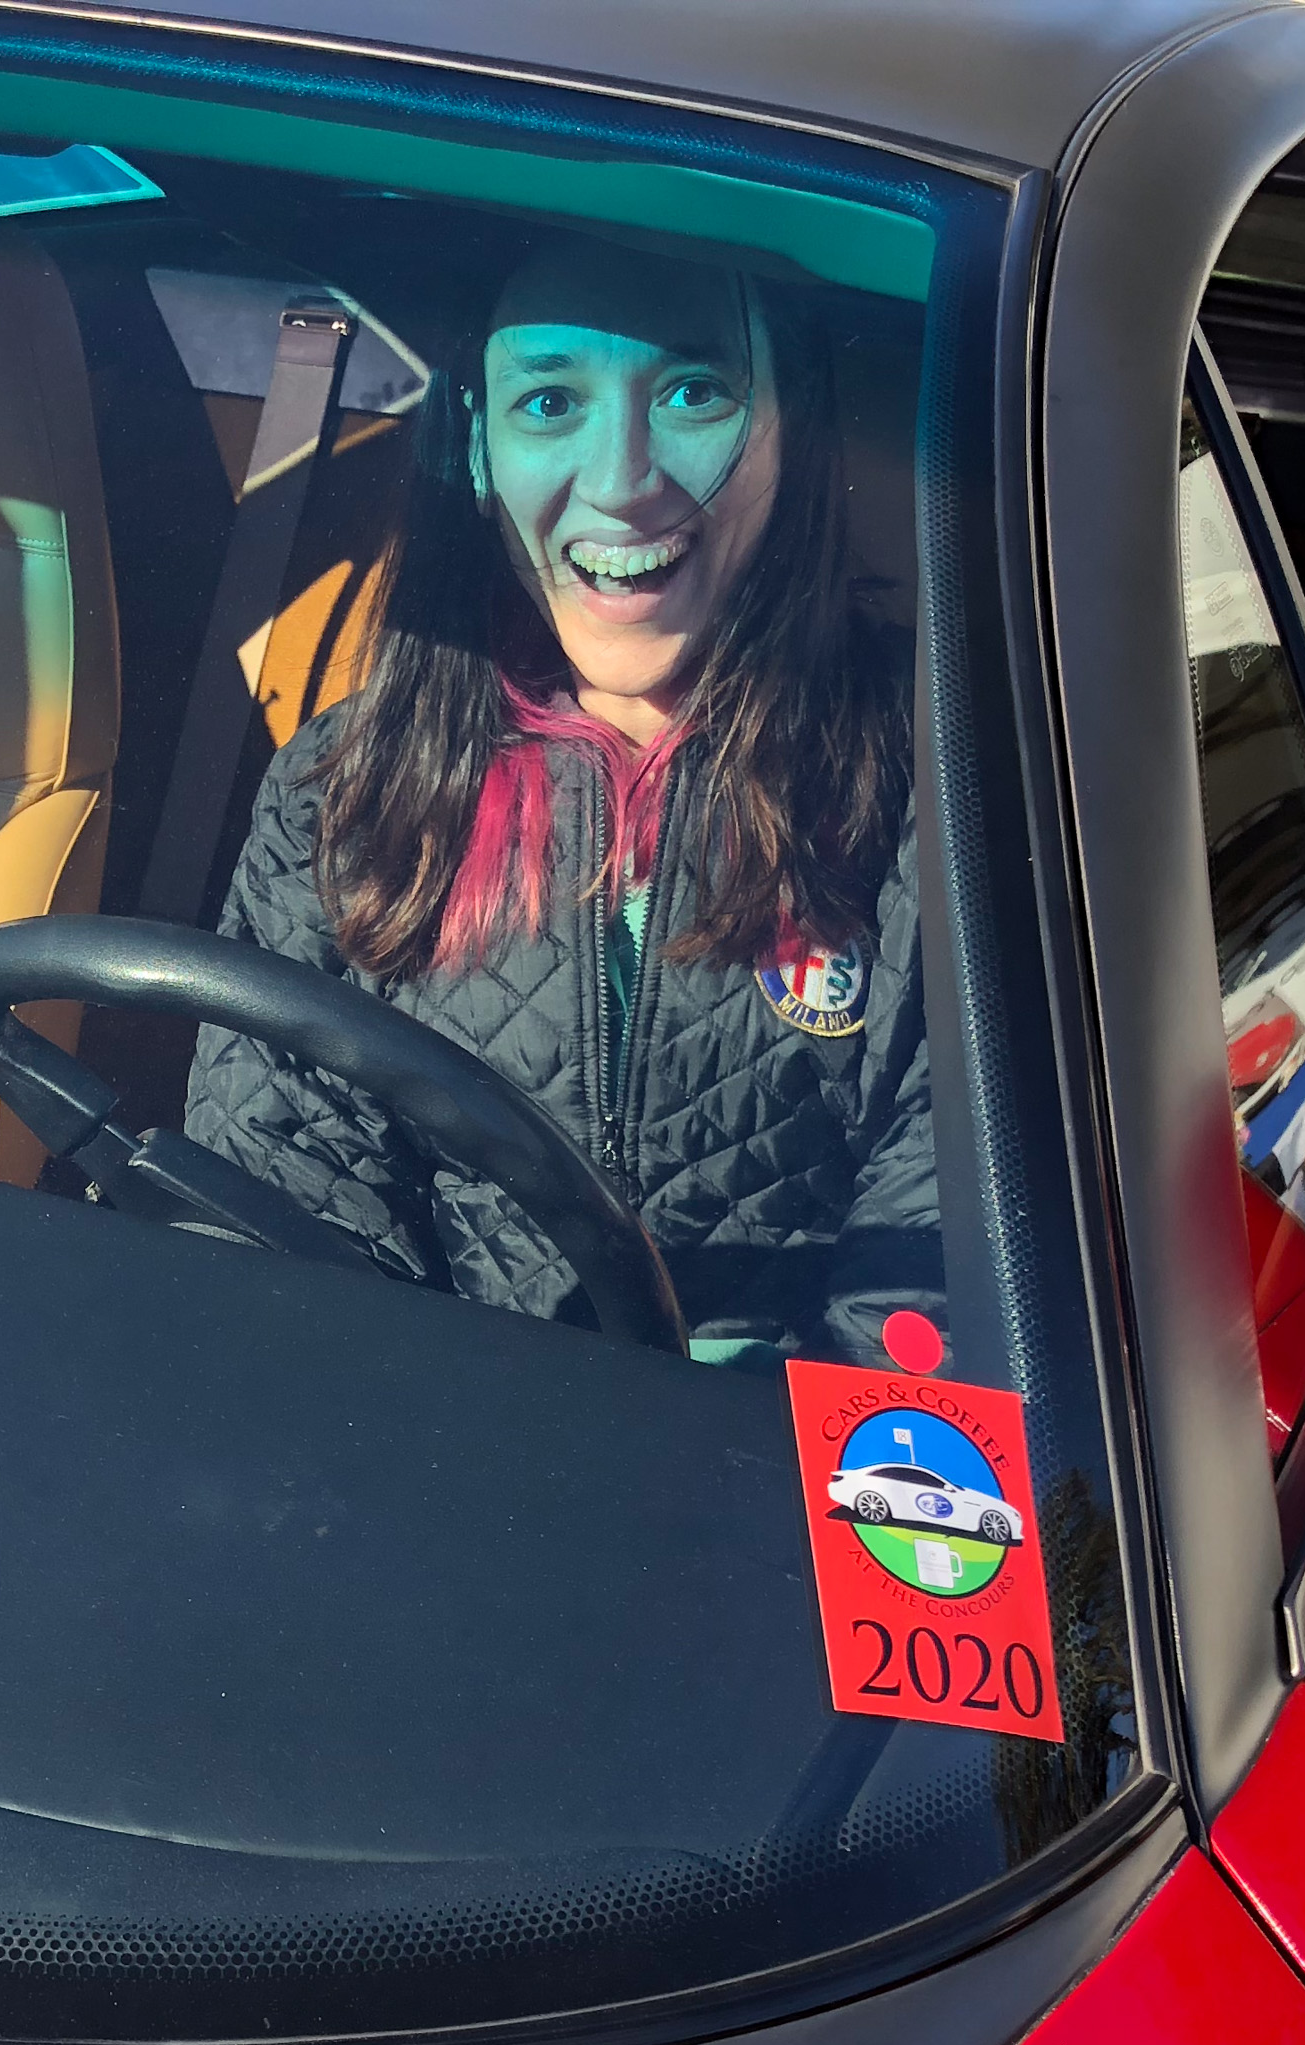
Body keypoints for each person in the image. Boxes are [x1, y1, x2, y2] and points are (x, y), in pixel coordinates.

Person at [181, 235, 937, 1367]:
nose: (623, 482)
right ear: (478, 447)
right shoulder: (348, 786)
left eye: (695, 391)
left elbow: (949, 1228)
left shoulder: (929, 763)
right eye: (548, 402)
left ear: (794, 430)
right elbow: (282, 1204)